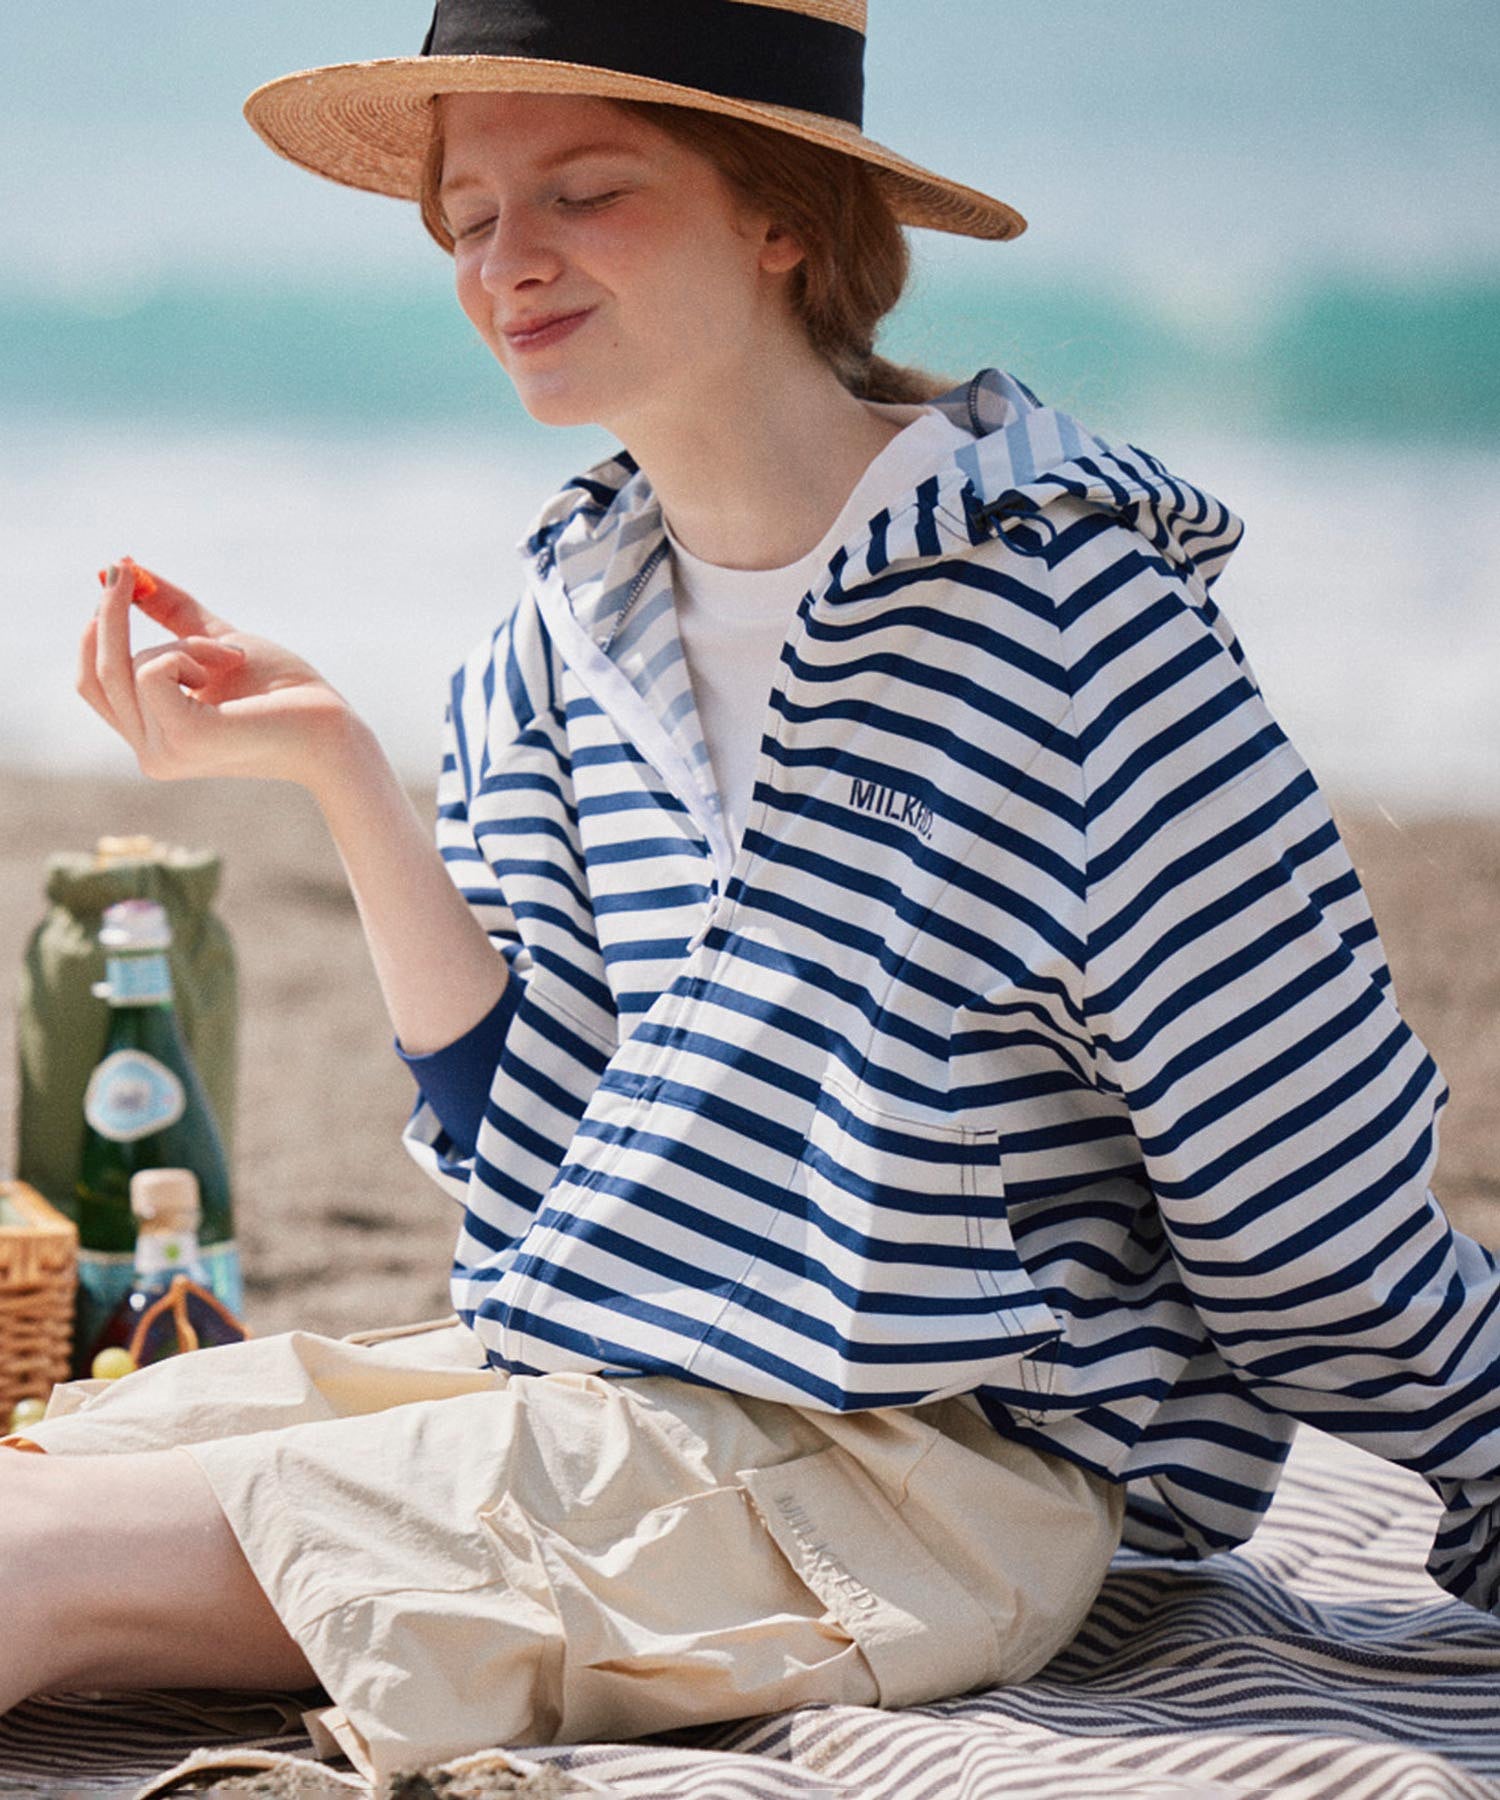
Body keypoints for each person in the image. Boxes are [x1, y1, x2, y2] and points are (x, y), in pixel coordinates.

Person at [6, 0, 1500, 1792]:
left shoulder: (1072, 635)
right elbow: (537, 1163)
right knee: (37, 1482)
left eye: (587, 193)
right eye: (469, 217)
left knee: (29, 1570)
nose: (507, 262)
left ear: (785, 211)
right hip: (618, 1390)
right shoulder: (558, 636)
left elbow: (1301, 1193)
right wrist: (343, 775)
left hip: (941, 1481)